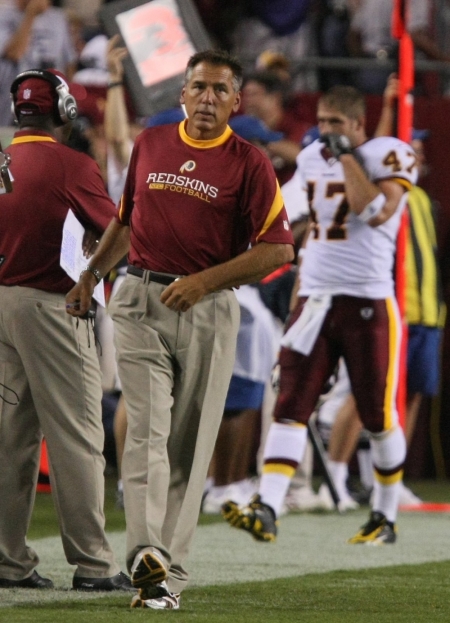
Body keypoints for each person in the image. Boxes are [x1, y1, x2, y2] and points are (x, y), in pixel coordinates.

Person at [65, 49, 294, 610]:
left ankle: (170, 574)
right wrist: (92, 275)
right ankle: (146, 554)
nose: (207, 99)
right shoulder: (151, 143)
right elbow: (126, 219)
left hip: (208, 308)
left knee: (189, 447)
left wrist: (204, 282)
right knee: (145, 427)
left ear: (236, 102)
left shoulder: (250, 163)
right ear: (182, 94)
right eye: (199, 88)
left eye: (220, 91)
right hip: (139, 297)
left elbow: (278, 250)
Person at [222, 84, 418, 545]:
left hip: (366, 303)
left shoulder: (389, 154)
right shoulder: (310, 160)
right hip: (315, 299)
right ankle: (268, 507)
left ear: (356, 125)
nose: (325, 131)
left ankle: (384, 517)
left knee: (376, 414)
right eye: (322, 121)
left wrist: (348, 158)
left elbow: (372, 209)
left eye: (335, 123)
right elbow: (278, 217)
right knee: (290, 405)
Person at [0, 68, 133, 591]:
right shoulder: (69, 163)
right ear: (62, 110)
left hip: (4, 304)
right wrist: (94, 273)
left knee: (10, 440)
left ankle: (7, 562)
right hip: (52, 307)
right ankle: (94, 565)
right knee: (79, 435)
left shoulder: (3, 159)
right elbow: (120, 231)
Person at [0, 0, 77, 125]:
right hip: (12, 100)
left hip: (49, 98)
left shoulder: (58, 18)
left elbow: (69, 62)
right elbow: (14, 53)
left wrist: (68, 97)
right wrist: (31, 14)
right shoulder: (4, 15)